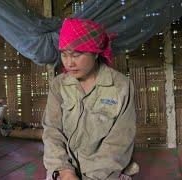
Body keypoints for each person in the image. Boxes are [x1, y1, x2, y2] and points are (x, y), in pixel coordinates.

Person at [42, 18, 136, 180]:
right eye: (64, 54)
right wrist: (65, 171)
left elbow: (119, 142)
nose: (69, 62)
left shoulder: (121, 86)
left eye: (76, 55)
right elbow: (52, 132)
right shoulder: (58, 85)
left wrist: (93, 177)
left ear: (95, 52)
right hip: (63, 170)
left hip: (105, 172)